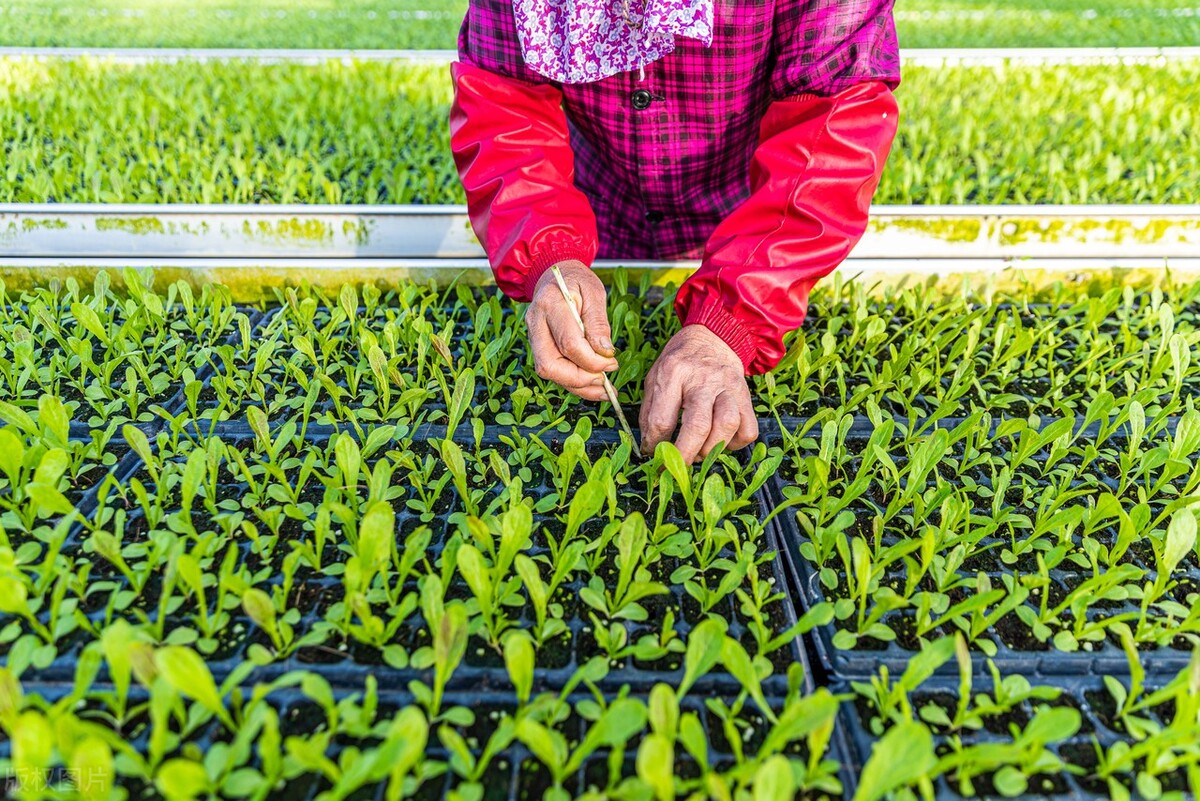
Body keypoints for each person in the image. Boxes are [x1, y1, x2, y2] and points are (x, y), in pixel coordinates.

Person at [449, 0, 900, 463]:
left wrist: (734, 316)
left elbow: (833, 125)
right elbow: (504, 105)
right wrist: (549, 252)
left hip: (750, 221)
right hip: (599, 205)